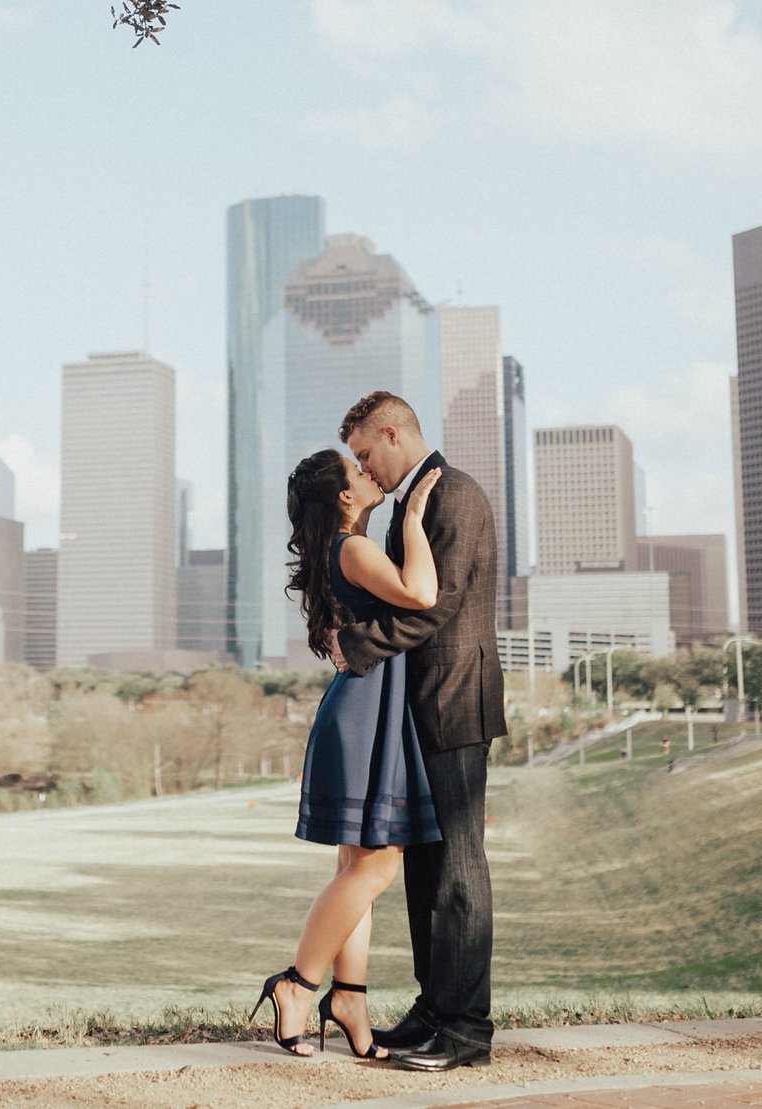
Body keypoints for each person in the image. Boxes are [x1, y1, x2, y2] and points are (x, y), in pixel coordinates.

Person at [253, 444, 443, 1058]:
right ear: (342, 495)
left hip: (362, 709)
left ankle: (351, 1001)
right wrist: (413, 521)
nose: (368, 473)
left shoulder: (338, 550)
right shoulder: (354, 548)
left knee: (355, 868)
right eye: (357, 470)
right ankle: (299, 984)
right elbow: (420, 595)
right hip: (365, 715)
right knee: (378, 865)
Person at [334, 391, 504, 1073]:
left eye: (366, 453)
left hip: (456, 701)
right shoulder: (410, 501)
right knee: (427, 870)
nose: (365, 467)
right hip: (418, 704)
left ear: (393, 431)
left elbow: (442, 602)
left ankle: (465, 1029)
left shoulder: (453, 493)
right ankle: (434, 1010)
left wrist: (358, 643)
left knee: (459, 869)